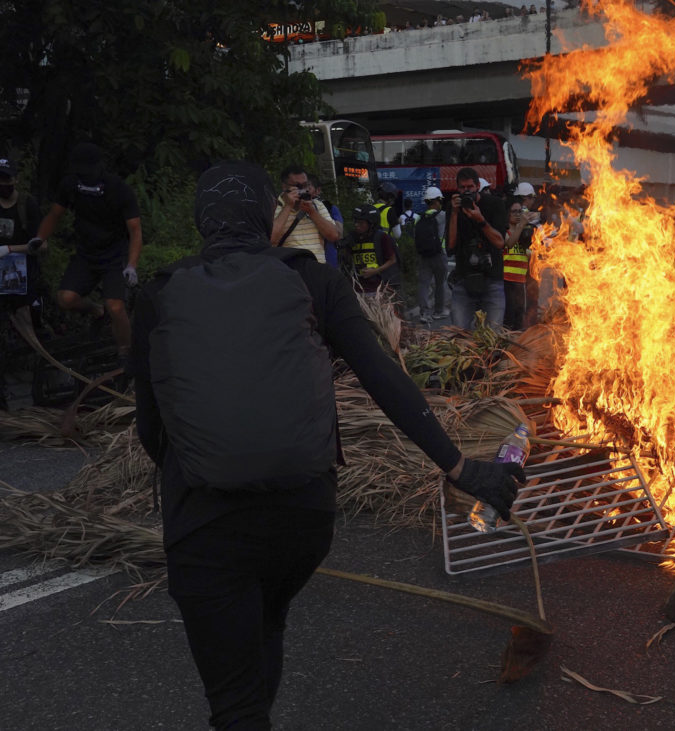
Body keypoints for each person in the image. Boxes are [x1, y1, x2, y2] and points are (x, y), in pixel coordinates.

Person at [131, 161, 524, 730]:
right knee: (267, 622)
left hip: (206, 523)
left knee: (235, 703)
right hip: (302, 517)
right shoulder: (314, 278)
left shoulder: (159, 295)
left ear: (200, 223)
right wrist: (460, 466)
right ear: (269, 214)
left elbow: (151, 427)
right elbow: (385, 378)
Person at [35, 142, 142, 369]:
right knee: (66, 298)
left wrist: (131, 265)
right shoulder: (71, 185)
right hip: (86, 253)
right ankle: (96, 311)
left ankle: (127, 354)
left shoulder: (119, 189)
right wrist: (40, 238)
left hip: (114, 254)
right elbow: (55, 214)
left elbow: (135, 230)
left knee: (116, 306)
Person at [0, 157, 44, 409]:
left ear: (15, 178)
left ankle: (39, 387)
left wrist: (19, 249)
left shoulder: (27, 205)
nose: (3, 183)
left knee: (28, 330)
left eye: (6, 178)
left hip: (22, 278)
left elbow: (40, 243)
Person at [447, 167, 508, 330]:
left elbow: (500, 243)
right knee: (459, 333)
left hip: (492, 278)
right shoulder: (454, 207)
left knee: (493, 334)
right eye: (462, 188)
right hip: (463, 277)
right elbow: (450, 246)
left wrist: (480, 220)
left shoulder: (495, 204)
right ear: (457, 188)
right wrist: (454, 213)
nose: (466, 192)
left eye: (470, 187)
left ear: (478, 186)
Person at [270, 165, 339, 264]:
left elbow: (333, 236)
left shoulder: (317, 206)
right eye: (297, 186)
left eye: (305, 185)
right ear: (284, 187)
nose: (302, 189)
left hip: (317, 268)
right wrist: (288, 207)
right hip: (289, 270)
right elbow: (271, 239)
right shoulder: (273, 207)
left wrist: (312, 212)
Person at [341, 204, 399, 297]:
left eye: (361, 223)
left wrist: (375, 271)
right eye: (355, 222)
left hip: (378, 289)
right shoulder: (352, 238)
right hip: (357, 289)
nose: (357, 225)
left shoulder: (381, 237)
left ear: (371, 224)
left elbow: (392, 260)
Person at [414, 187, 448, 323]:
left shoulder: (419, 218)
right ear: (438, 200)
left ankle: (424, 313)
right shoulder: (443, 216)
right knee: (440, 284)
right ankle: (438, 312)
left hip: (424, 255)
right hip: (440, 254)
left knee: (424, 284)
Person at [503, 199, 533, 330]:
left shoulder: (524, 235)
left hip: (520, 282)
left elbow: (528, 254)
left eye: (520, 211)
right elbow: (509, 243)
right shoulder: (505, 232)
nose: (517, 214)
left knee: (519, 317)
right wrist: (521, 226)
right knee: (507, 317)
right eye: (514, 211)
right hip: (506, 281)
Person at [307, 175, 344, 268]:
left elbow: (339, 234)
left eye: (308, 187)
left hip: (329, 259)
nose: (304, 191)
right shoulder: (290, 209)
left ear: (317, 190)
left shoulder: (330, 208)